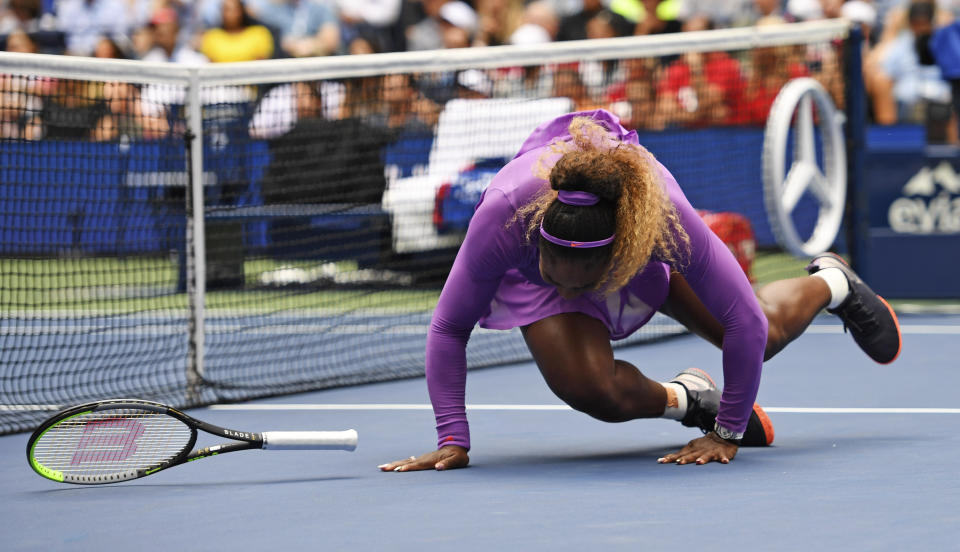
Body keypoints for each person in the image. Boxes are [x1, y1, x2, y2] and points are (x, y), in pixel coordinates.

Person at [378, 110, 902, 472]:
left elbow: (744, 319)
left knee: (761, 336)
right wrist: (452, 440)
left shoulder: (664, 222)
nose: (567, 286)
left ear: (617, 255)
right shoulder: (506, 214)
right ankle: (689, 397)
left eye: (578, 280)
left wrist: (728, 434)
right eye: (552, 270)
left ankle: (832, 282)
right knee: (589, 391)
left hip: (640, 248)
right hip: (546, 253)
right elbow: (449, 327)